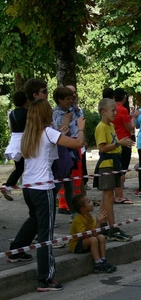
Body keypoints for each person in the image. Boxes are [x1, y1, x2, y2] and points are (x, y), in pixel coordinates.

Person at [8, 98, 85, 292]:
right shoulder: (48, 132)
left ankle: (16, 248)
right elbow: (78, 143)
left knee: (34, 220)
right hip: (44, 188)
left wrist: (63, 128)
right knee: (46, 234)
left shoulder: (27, 135)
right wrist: (81, 127)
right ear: (45, 114)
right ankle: (46, 278)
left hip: (28, 186)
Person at [94, 98, 134, 242]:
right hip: (106, 164)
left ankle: (102, 226)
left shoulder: (110, 126)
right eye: (113, 110)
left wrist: (122, 144)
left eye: (116, 110)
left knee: (107, 197)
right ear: (103, 112)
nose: (115, 113)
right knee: (109, 197)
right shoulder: (101, 127)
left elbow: (113, 144)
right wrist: (118, 143)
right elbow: (102, 147)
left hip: (114, 162)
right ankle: (112, 228)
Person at [69, 193, 117, 273]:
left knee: (101, 237)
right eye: (89, 202)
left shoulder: (90, 217)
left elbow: (95, 233)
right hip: (76, 244)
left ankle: (103, 260)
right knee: (93, 240)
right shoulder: (78, 219)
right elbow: (83, 235)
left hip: (87, 240)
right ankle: (98, 264)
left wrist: (98, 222)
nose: (92, 203)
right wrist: (93, 233)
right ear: (83, 209)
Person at [52, 86, 80, 220]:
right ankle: (50, 214)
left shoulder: (69, 110)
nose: (71, 100)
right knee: (58, 184)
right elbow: (60, 132)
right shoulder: (57, 113)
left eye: (71, 98)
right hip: (61, 152)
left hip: (69, 150)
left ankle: (73, 212)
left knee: (69, 183)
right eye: (68, 98)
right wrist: (66, 124)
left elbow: (79, 122)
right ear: (60, 100)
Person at [2, 91, 29, 201]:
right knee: (29, 167)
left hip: (15, 140)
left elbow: (11, 128)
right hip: (26, 140)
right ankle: (28, 190)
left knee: (19, 168)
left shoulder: (12, 113)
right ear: (26, 100)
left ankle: (7, 186)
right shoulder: (28, 112)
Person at [111, 88, 135, 204]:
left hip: (112, 140)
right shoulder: (123, 110)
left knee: (115, 169)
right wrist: (134, 118)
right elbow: (129, 127)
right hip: (124, 141)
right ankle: (119, 196)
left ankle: (113, 194)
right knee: (122, 170)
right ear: (124, 97)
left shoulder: (110, 108)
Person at [66, 85, 89, 191]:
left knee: (81, 169)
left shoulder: (78, 109)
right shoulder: (64, 110)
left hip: (80, 141)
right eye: (71, 93)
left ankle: (81, 193)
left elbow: (82, 124)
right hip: (70, 143)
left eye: (75, 92)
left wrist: (85, 138)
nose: (74, 95)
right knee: (72, 171)